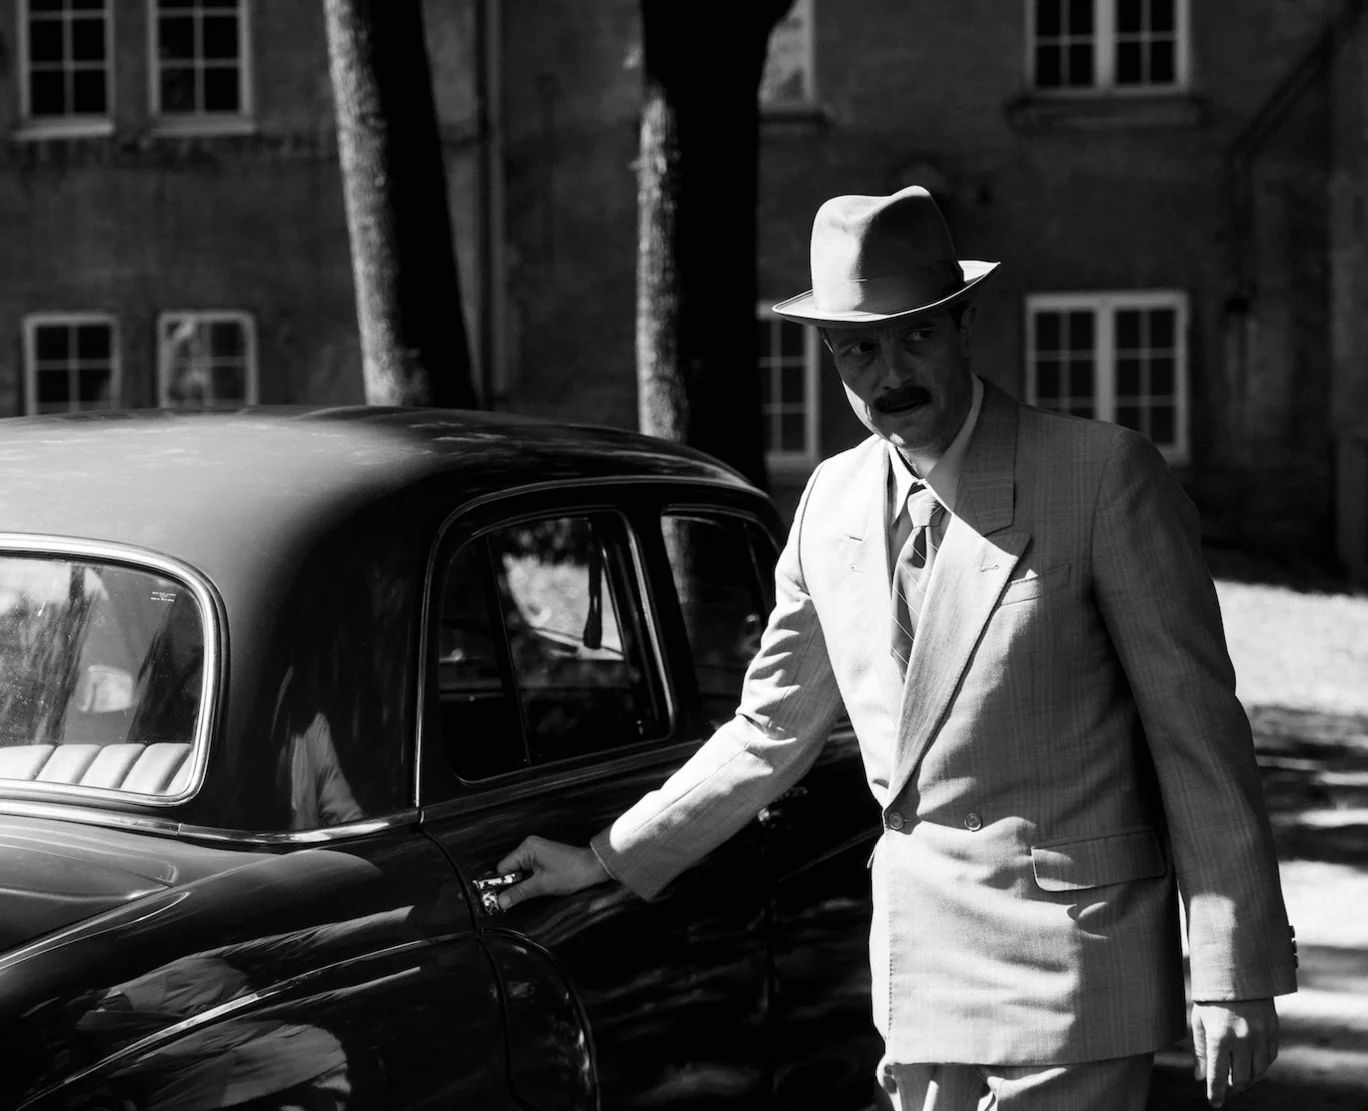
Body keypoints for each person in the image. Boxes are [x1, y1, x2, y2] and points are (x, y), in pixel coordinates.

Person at [492, 186, 1296, 1111]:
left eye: (915, 335)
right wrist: (605, 856)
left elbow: (1196, 734)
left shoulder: (1100, 475)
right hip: (920, 976)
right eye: (858, 348)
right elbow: (768, 731)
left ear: (963, 323)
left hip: (1074, 966)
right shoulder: (828, 504)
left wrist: (1233, 970)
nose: (890, 371)